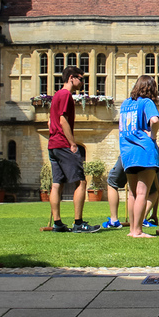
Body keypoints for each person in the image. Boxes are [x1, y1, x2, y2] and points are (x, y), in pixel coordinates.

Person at [48, 66, 96, 232]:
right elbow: (63, 120)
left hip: (53, 144)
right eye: (80, 79)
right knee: (80, 181)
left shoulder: (56, 95)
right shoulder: (65, 95)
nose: (82, 82)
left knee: (57, 184)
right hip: (63, 144)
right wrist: (72, 143)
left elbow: (50, 122)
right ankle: (78, 223)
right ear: (71, 78)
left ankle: (58, 223)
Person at [118, 75, 159, 239]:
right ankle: (138, 231)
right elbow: (154, 120)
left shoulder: (125, 104)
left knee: (132, 194)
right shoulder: (147, 102)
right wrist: (153, 136)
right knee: (142, 193)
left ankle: (132, 230)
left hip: (127, 152)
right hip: (144, 151)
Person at [102, 149, 159, 231]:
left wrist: (154, 213)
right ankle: (142, 218)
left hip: (128, 152)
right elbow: (158, 184)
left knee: (113, 184)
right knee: (153, 191)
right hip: (149, 153)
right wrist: (154, 213)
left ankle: (114, 220)